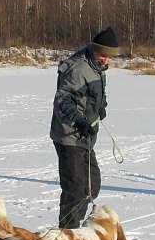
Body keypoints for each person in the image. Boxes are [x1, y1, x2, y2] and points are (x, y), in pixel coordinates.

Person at [50, 27, 116, 228]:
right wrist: (79, 120)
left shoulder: (96, 65)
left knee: (92, 185)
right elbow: (63, 99)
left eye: (110, 57)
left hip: (85, 137)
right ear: (95, 50)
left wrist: (100, 108)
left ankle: (75, 227)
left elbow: (93, 94)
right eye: (103, 55)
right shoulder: (78, 68)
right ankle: (67, 234)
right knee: (76, 189)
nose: (106, 60)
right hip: (69, 136)